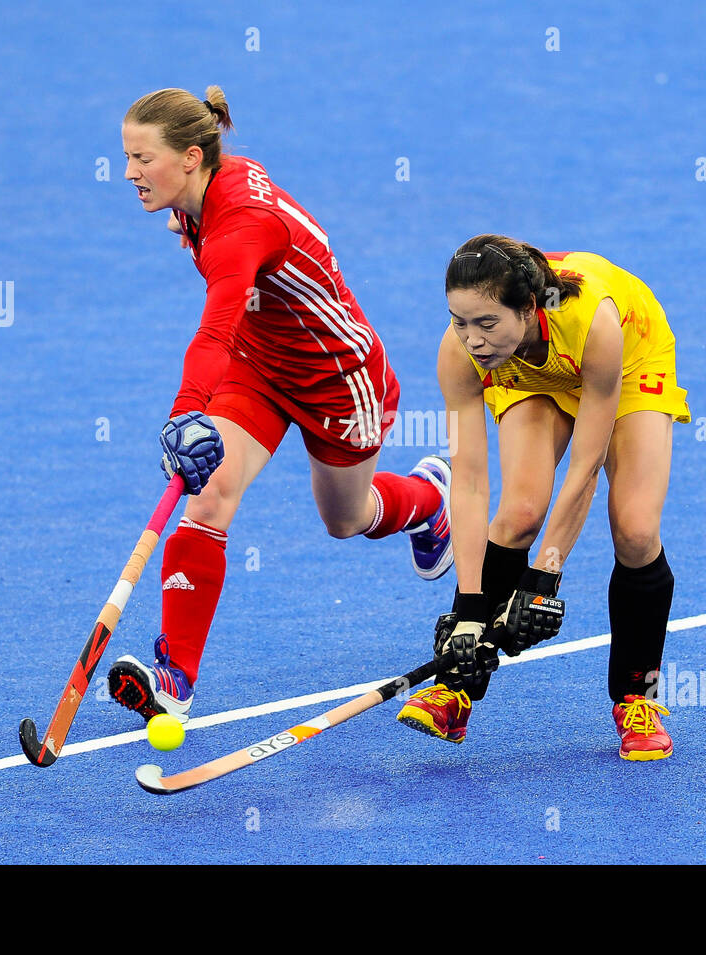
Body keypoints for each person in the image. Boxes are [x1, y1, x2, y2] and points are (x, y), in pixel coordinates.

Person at [105, 86, 452, 722]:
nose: (127, 172)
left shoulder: (239, 225)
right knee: (208, 498)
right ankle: (174, 680)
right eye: (125, 157)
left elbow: (212, 331)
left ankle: (431, 499)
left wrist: (185, 412)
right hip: (259, 366)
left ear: (188, 157)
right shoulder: (195, 196)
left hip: (338, 378)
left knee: (346, 520)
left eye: (140, 159)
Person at [395, 235, 691, 760]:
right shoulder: (462, 353)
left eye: (487, 324)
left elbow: (586, 463)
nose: (474, 340)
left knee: (636, 528)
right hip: (530, 368)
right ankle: (456, 688)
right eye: (460, 322)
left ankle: (636, 699)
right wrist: (468, 609)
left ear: (528, 309)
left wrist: (543, 578)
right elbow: (466, 480)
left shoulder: (591, 320)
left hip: (628, 360)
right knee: (519, 513)